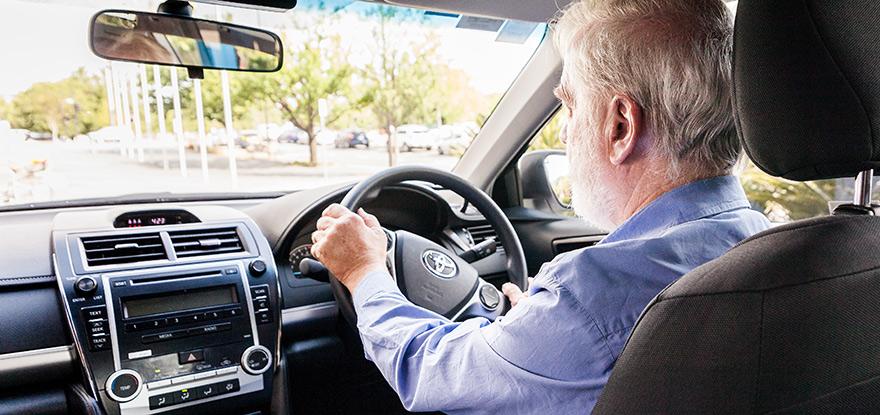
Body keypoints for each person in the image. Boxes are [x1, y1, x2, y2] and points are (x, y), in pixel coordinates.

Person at [309, 0, 771, 412]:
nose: (565, 132)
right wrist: (536, 327)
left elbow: (427, 372)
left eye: (570, 107)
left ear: (620, 127)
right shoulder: (767, 239)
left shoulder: (589, 295)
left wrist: (363, 270)